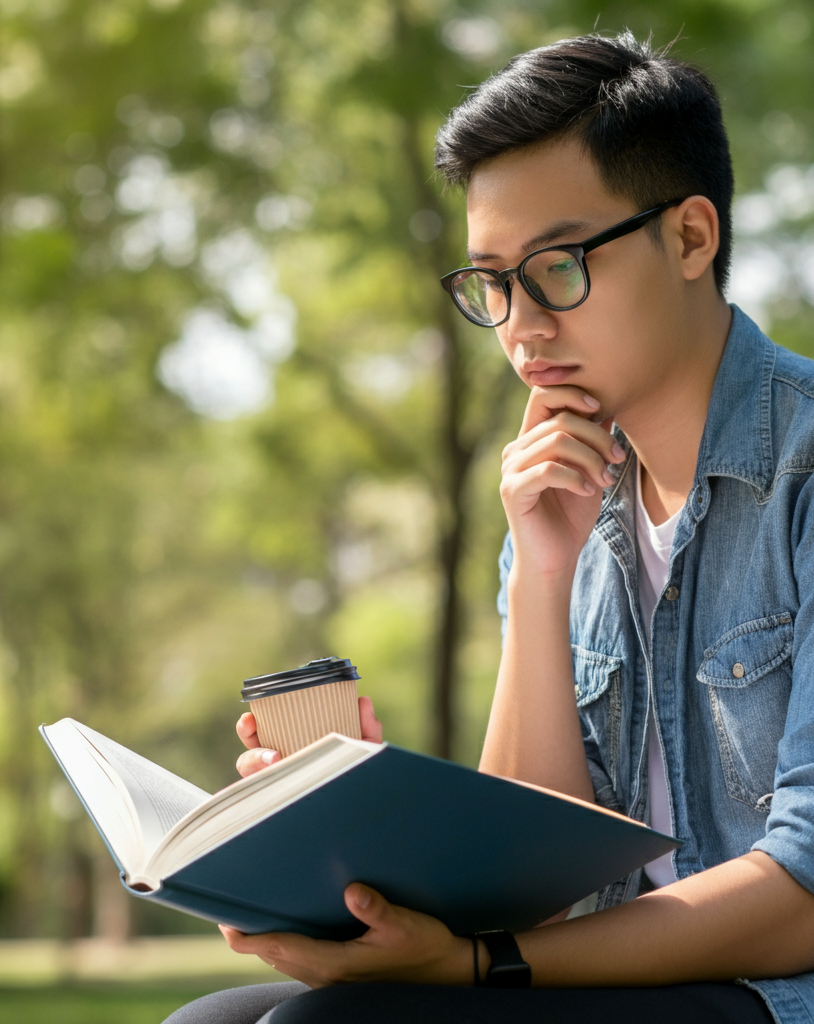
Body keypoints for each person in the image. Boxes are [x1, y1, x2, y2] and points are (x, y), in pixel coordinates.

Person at [164, 30, 814, 1024]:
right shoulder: (557, 491)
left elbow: (801, 898)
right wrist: (540, 578)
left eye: (556, 266)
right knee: (207, 1020)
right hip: (599, 977)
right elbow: (517, 882)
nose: (519, 323)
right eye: (491, 281)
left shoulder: (802, 471)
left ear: (690, 236)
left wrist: (480, 968)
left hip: (772, 992)